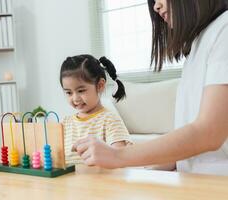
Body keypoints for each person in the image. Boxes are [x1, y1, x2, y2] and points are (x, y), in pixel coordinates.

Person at [72, 0, 228, 176]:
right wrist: (161, 165)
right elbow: (199, 140)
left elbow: (209, 133)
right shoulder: (198, 45)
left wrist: (118, 155)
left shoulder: (224, 30)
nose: (156, 6)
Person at [60, 54, 132, 165]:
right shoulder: (65, 123)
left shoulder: (110, 120)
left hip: (101, 181)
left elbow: (120, 158)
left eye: (81, 91)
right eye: (69, 93)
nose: (75, 98)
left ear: (100, 85)